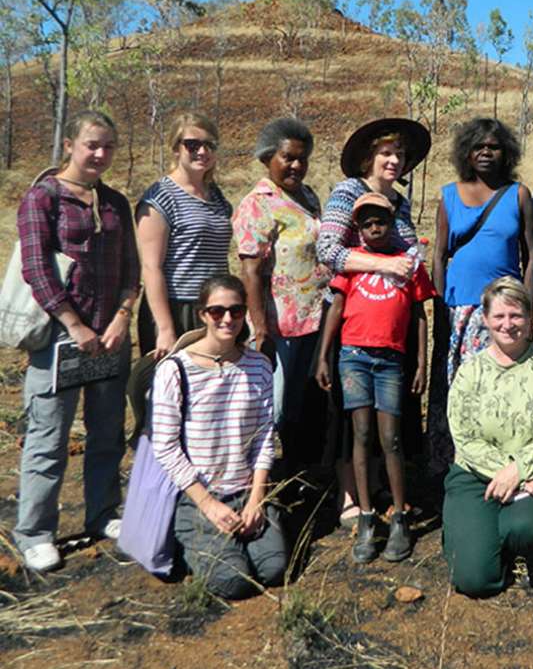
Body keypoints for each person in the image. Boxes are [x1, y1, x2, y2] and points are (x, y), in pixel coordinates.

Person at [15, 110, 139, 572]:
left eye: (108, 146)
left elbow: (130, 267)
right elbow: (36, 270)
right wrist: (74, 324)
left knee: (106, 432)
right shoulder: (41, 199)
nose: (100, 154)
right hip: (58, 340)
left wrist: (123, 315)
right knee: (48, 437)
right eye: (92, 145)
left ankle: (103, 512)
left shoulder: (115, 202)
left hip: (110, 337)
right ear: (69, 144)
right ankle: (35, 532)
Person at [316, 118, 431, 526]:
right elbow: (328, 248)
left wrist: (404, 264)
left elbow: (413, 255)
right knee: (353, 417)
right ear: (369, 158)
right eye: (386, 153)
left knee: (387, 414)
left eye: (399, 154)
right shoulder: (349, 193)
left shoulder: (398, 203)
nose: (394, 160)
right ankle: (349, 495)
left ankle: (380, 487)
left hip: (393, 326)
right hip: (351, 319)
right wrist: (384, 263)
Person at [442, 276, 533, 597]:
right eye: (499, 317)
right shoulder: (470, 372)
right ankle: (488, 545)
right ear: (486, 320)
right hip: (475, 476)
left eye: (516, 315)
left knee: (526, 528)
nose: (508, 324)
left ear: (530, 318)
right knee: (474, 580)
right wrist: (513, 474)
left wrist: (524, 467)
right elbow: (464, 438)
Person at [152, 275, 287, 600]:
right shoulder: (175, 370)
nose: (228, 319)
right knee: (233, 582)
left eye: (236, 311)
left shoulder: (259, 366)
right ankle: (190, 540)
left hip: (246, 491)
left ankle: (237, 540)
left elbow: (264, 437)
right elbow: (166, 446)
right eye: (217, 311)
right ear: (202, 314)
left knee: (275, 569)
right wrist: (208, 505)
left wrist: (257, 499)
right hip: (199, 496)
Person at [427, 118, 533, 475]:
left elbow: (531, 257)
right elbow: (439, 256)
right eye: (479, 147)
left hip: (503, 311)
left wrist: (528, 312)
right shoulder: (448, 195)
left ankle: (497, 462)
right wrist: (441, 309)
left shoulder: (518, 195)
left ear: (506, 153)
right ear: (466, 153)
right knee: (457, 387)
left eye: (494, 146)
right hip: (459, 308)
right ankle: (452, 464)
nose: (486, 153)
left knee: (499, 386)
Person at [234, 118, 328, 476]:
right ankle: (254, 479)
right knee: (274, 406)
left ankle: (296, 473)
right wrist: (260, 328)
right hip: (280, 324)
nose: (296, 166)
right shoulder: (259, 204)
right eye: (288, 158)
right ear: (267, 157)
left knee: (302, 403)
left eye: (302, 159)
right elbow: (251, 271)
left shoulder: (307, 196)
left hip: (315, 318)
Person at [136, 112, 232, 357]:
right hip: (177, 307)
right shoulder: (159, 197)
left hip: (214, 308)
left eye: (209, 145)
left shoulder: (216, 196)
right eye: (192, 144)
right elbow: (151, 267)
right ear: (176, 149)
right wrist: (165, 328)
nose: (202, 151)